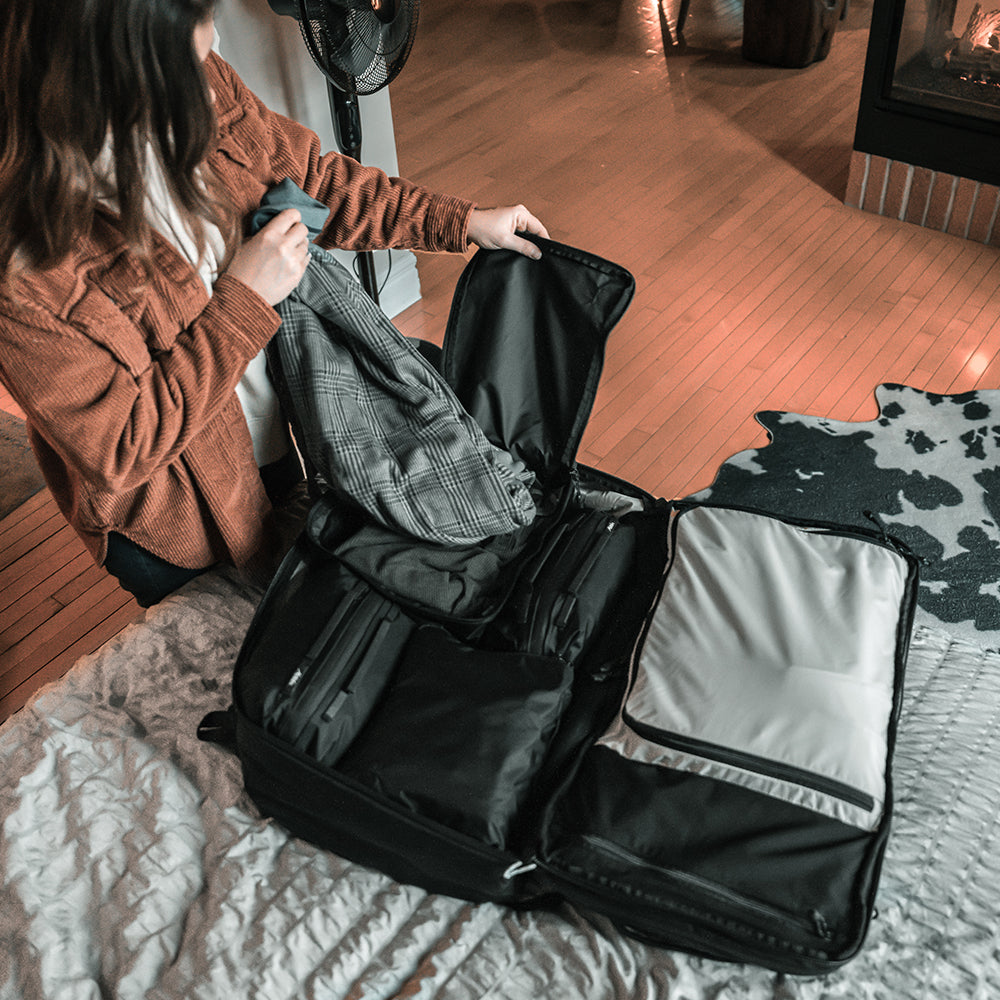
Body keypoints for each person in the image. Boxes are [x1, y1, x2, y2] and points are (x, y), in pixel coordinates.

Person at [0, 0, 549, 607]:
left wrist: (462, 221)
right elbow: (119, 448)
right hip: (176, 520)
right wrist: (246, 298)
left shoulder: (204, 78)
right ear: (102, 74)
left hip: (281, 432)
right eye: (181, 69)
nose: (209, 82)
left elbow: (314, 181)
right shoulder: (25, 263)